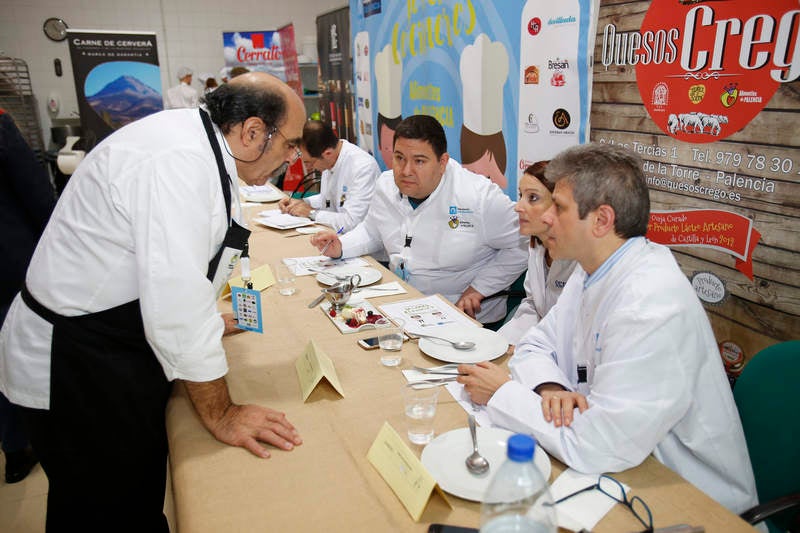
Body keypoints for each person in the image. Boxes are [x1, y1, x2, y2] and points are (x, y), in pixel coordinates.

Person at [0, 72, 305, 529]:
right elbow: (176, 304)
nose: (292, 156)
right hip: (75, 358)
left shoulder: (198, 145)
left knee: (125, 491)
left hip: (107, 334)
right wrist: (222, 413)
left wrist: (205, 318)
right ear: (253, 132)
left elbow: (179, 276)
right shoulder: (179, 160)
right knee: (104, 505)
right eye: (291, 143)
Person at [457, 143, 757, 513]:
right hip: (623, 467)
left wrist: (502, 394)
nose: (546, 217)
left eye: (559, 207)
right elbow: (535, 345)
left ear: (601, 220)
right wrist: (551, 389)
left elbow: (595, 445)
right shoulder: (592, 270)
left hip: (689, 499)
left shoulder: (652, 302)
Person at [311, 114, 527, 325]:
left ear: (442, 162)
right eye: (399, 158)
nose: (406, 171)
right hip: (401, 304)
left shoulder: (479, 197)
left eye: (419, 161)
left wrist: (480, 288)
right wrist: (341, 246)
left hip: (462, 317)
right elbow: (372, 231)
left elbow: (524, 244)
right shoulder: (385, 185)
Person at [0, 108, 55, 483]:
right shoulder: (2, 125)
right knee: (23, 352)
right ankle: (28, 442)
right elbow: (37, 194)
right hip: (10, 263)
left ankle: (15, 446)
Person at [497, 161, 576, 345]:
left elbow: (573, 331)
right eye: (520, 195)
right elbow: (533, 305)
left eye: (532, 198)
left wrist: (527, 351)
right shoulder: (536, 245)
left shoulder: (582, 260)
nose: (518, 206)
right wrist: (502, 345)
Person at [278, 120, 380, 232]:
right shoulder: (330, 159)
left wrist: (311, 212)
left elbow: (351, 222)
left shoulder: (362, 167)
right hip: (331, 235)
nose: (308, 168)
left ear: (328, 153)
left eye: (310, 163)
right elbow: (328, 199)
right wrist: (302, 202)